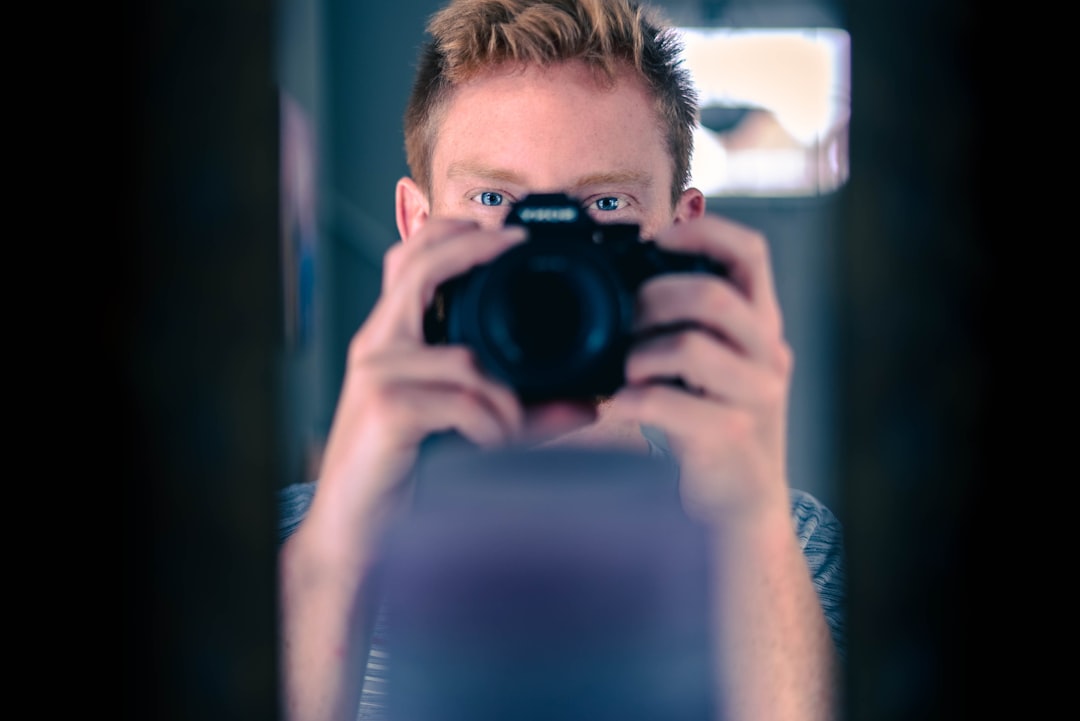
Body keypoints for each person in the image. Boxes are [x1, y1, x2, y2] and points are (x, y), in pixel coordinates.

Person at [277, 1, 846, 720]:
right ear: (417, 227)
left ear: (681, 234)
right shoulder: (298, 544)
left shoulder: (789, 545)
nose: (545, 259)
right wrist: (345, 529)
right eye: (492, 198)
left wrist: (744, 507)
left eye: (604, 204)